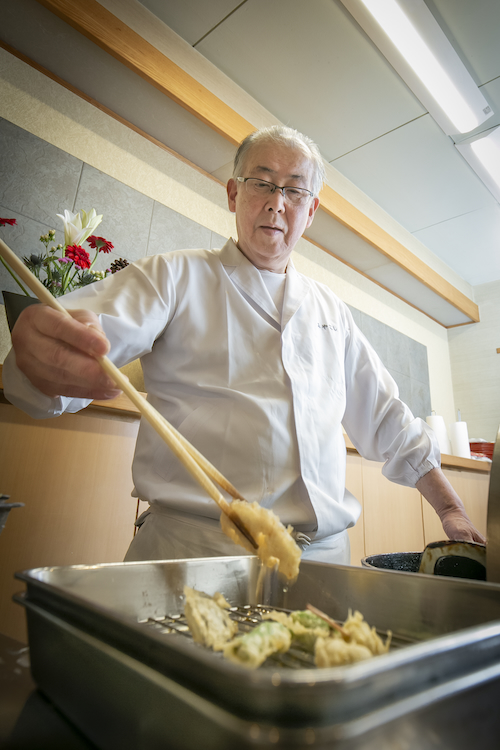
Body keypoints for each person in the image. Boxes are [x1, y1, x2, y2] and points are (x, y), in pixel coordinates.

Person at [2, 125, 485, 564]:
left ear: (311, 211)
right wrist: (39, 358)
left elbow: (387, 419)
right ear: (234, 194)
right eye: (263, 183)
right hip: (194, 552)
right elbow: (70, 350)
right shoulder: (173, 276)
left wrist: (452, 511)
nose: (278, 202)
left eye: (296, 189)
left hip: (325, 562)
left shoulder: (331, 311)